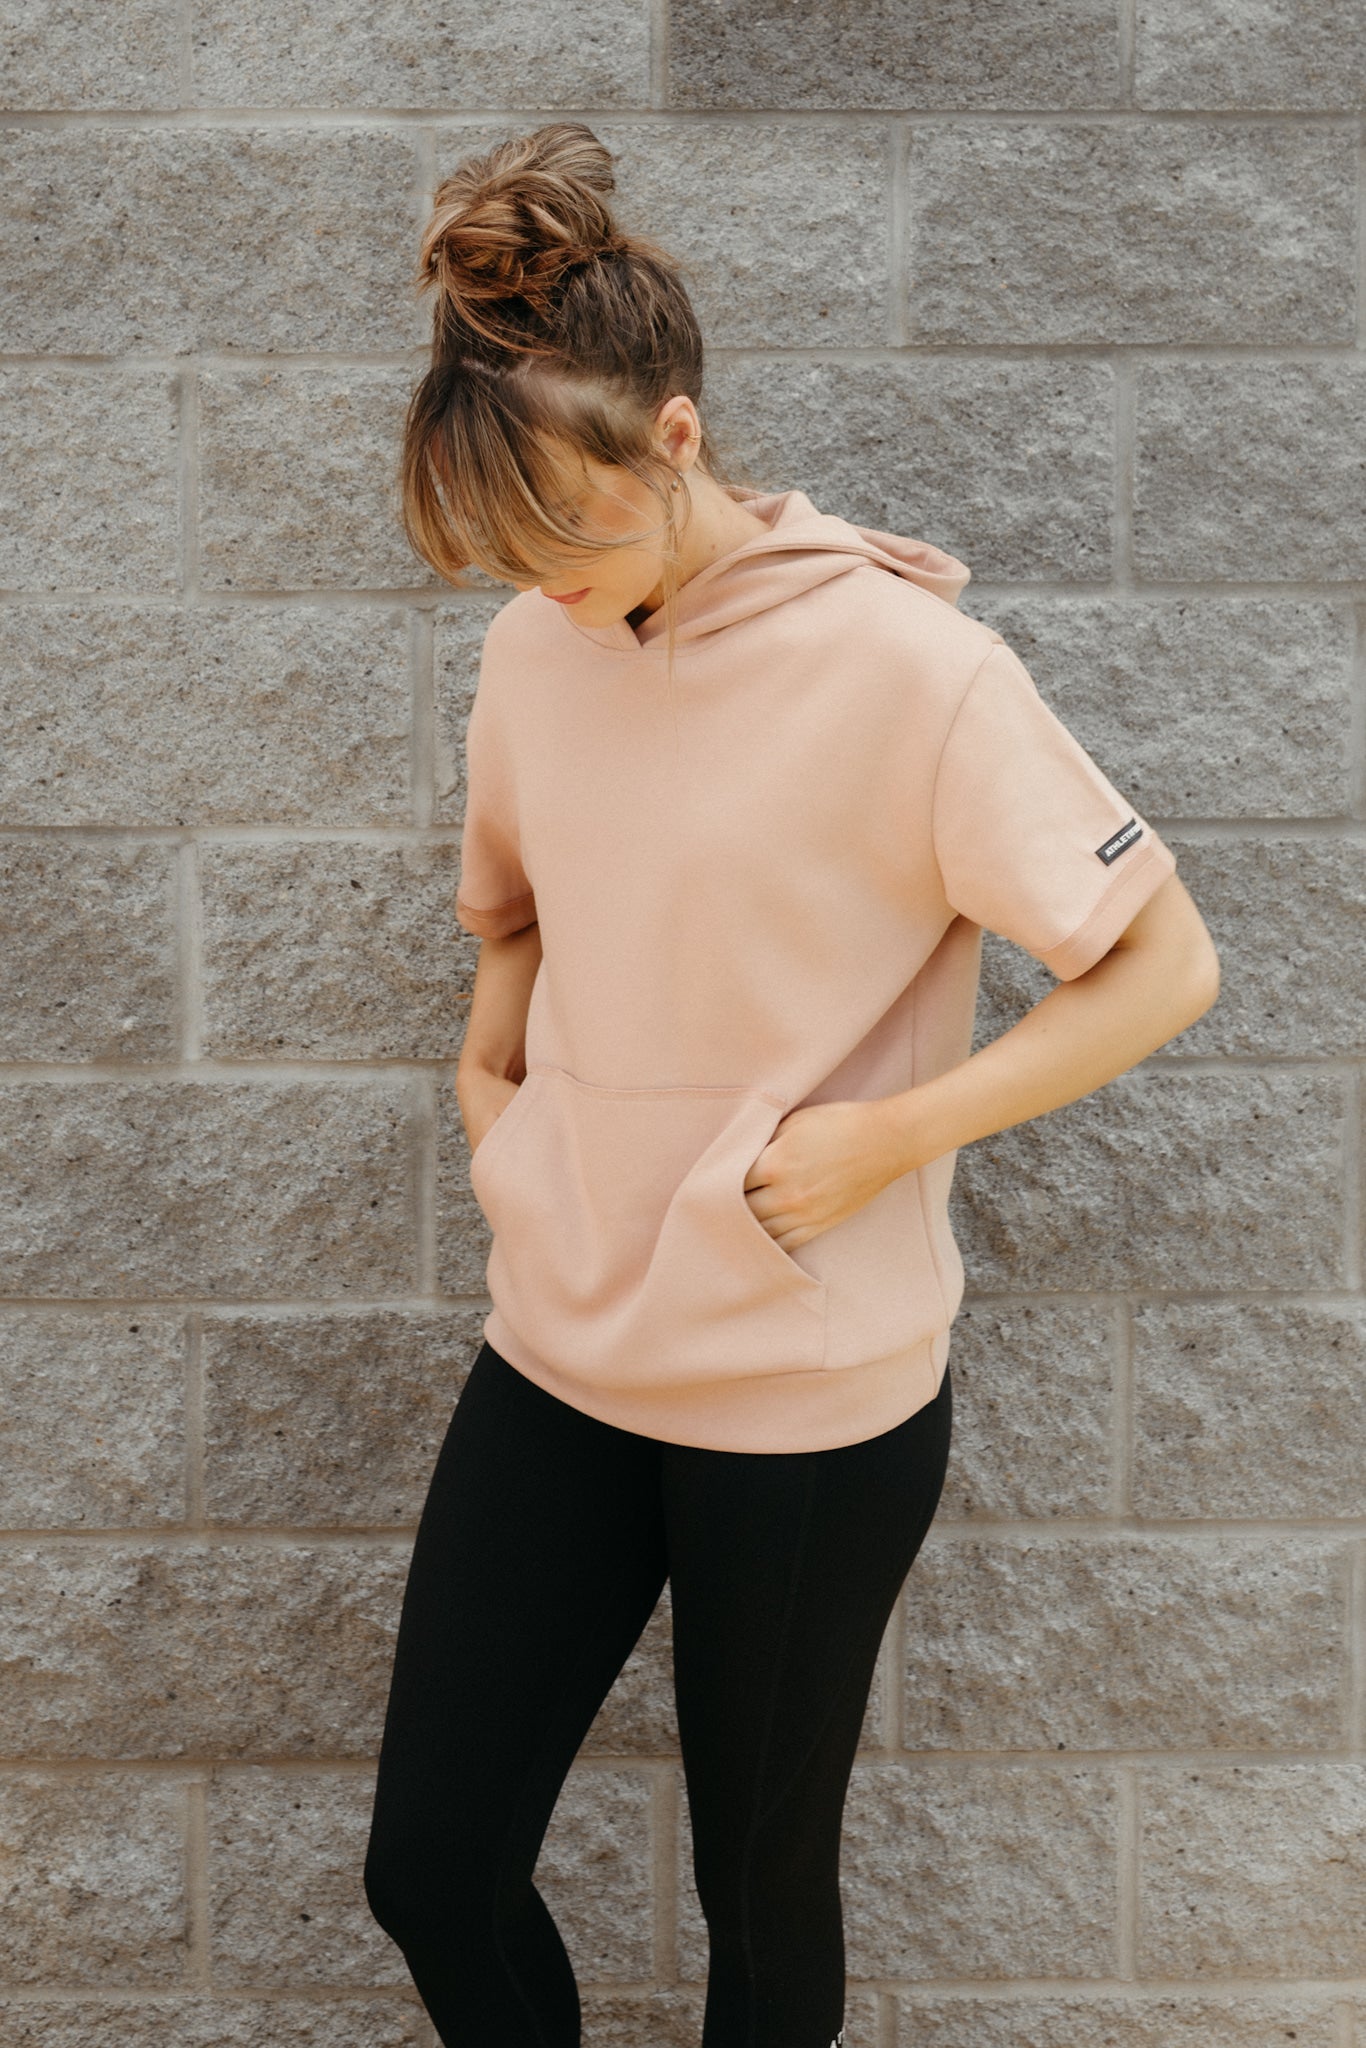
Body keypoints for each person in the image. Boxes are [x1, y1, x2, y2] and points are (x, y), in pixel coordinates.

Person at [362, 120, 1221, 2048]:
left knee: (759, 1903)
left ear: (673, 438)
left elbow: (1162, 963)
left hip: (808, 1391)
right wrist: (494, 1087)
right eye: (500, 557)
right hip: (564, 1342)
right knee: (431, 1864)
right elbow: (515, 912)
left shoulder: (915, 672)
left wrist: (883, 1141)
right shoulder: (534, 647)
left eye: (565, 537)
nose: (540, 588)